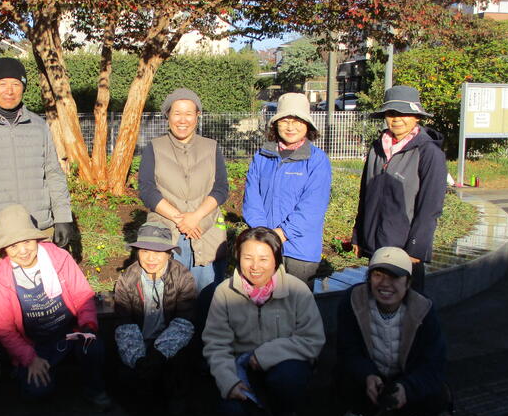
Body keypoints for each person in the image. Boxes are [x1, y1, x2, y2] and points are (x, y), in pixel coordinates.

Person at [0, 57, 74, 282]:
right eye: (2, 84)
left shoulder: (39, 127)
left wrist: (63, 218)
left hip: (37, 228)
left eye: (16, 84)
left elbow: (53, 174)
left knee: (45, 293)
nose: (9, 90)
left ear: (23, 88)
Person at [203, 227, 325, 416]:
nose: (255, 266)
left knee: (287, 378)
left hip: (284, 364)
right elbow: (216, 344)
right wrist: (229, 381)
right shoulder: (224, 292)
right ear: (238, 257)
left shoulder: (297, 290)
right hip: (242, 366)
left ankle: (285, 412)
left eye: (263, 259)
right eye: (248, 258)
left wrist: (265, 355)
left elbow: (312, 339)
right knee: (232, 409)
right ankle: (258, 411)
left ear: (276, 259)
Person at [0, 204, 112, 411]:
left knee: (93, 347)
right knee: (36, 392)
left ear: (36, 239)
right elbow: (5, 329)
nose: (23, 251)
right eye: (13, 246)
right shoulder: (2, 276)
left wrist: (88, 325)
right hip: (34, 344)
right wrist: (29, 358)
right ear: (5, 250)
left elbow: (82, 295)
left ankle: (94, 389)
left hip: (69, 333)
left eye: (27, 242)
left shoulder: (59, 258)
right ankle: (34, 374)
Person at [336, 246, 451, 416]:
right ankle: (367, 409)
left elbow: (434, 362)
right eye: (378, 275)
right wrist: (367, 374)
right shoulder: (353, 300)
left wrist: (407, 387)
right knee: (342, 381)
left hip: (405, 375)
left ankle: (406, 414)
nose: (385, 284)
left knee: (436, 396)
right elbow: (347, 349)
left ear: (408, 282)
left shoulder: (423, 309)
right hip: (372, 371)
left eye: (395, 277)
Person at [352, 85, 447, 294]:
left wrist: (416, 247)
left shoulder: (429, 152)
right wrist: (359, 235)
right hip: (375, 246)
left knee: (408, 306)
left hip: (405, 249)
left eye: (404, 114)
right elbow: (365, 195)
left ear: (417, 117)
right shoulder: (377, 148)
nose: (397, 119)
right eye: (391, 113)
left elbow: (430, 206)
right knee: (376, 301)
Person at [138, 88, 229, 294]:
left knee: (206, 295)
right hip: (167, 230)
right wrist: (180, 219)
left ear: (197, 116)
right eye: (177, 113)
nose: (182, 120)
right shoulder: (155, 147)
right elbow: (147, 189)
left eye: (189, 113)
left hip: (206, 230)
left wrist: (195, 217)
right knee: (169, 295)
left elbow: (221, 188)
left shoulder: (211, 147)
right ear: (168, 116)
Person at [242, 92, 331, 288]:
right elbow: (252, 199)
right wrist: (265, 235)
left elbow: (312, 207)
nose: (291, 127)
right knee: (261, 301)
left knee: (296, 304)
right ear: (276, 124)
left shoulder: (317, 161)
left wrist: (282, 234)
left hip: (300, 251)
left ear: (307, 124)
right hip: (264, 247)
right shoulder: (262, 157)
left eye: (297, 120)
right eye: (285, 120)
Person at [113, 222, 197, 414]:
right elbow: (124, 323)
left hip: (169, 342)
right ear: (137, 252)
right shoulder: (127, 279)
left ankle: (177, 394)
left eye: (158, 252)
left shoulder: (183, 278)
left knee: (178, 364)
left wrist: (159, 354)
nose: (151, 258)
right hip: (140, 341)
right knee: (129, 378)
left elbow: (185, 322)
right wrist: (138, 358)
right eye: (145, 251)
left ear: (169, 254)